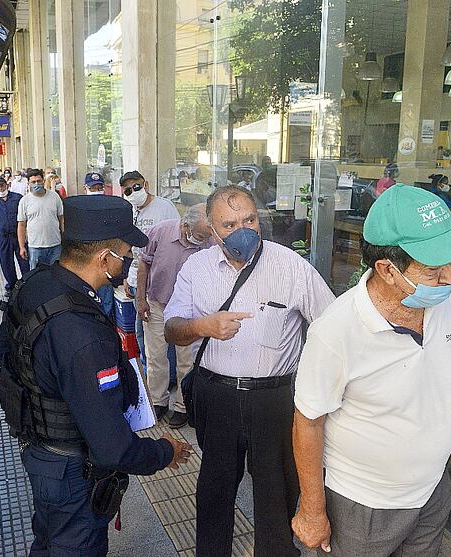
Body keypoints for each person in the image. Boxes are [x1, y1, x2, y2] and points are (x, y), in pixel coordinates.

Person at [0, 195, 193, 555]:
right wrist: (165, 452)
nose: (129, 260)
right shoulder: (84, 333)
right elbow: (113, 448)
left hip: (40, 453)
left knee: (48, 541)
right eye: (126, 253)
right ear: (104, 258)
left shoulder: (36, 282)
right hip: (73, 472)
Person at [292, 184, 451, 557]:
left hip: (432, 493)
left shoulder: (450, 303)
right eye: (434, 269)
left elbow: (443, 392)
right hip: (363, 506)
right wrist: (312, 511)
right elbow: (308, 422)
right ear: (388, 270)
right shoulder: (336, 331)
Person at [164, 186, 335, 556]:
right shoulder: (197, 268)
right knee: (215, 487)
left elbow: (332, 327)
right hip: (216, 394)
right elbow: (172, 330)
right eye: (229, 225)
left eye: (250, 220)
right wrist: (203, 326)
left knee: (277, 491)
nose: (242, 230)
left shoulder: (291, 266)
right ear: (211, 229)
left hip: (274, 398)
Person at [136, 203, 212, 428]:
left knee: (186, 360)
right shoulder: (161, 231)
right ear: (186, 226)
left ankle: (182, 405)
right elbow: (143, 264)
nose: (202, 240)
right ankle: (158, 401)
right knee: (156, 357)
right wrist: (141, 299)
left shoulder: (210, 241)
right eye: (200, 236)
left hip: (189, 309)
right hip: (157, 303)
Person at [121, 170, 179, 367]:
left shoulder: (164, 207)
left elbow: (176, 242)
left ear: (145, 184)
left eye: (136, 187)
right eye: (128, 190)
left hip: (159, 282)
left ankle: (168, 375)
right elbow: (128, 248)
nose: (133, 192)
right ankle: (149, 372)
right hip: (136, 279)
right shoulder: (129, 210)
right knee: (141, 331)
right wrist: (127, 276)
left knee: (163, 334)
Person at [18, 169, 64, 270]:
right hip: (35, 247)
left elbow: (61, 219)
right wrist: (22, 247)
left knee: (56, 273)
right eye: (33, 182)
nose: (36, 184)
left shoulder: (55, 197)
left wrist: (64, 238)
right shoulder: (24, 201)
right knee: (37, 275)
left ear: (43, 181)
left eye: (39, 181)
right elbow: (21, 225)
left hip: (55, 245)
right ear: (28, 183)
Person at [83, 172, 113, 315]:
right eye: (93, 188)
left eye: (99, 187)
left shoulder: (111, 207)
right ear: (85, 189)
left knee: (106, 297)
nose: (97, 191)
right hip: (87, 260)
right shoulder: (80, 209)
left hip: (106, 260)